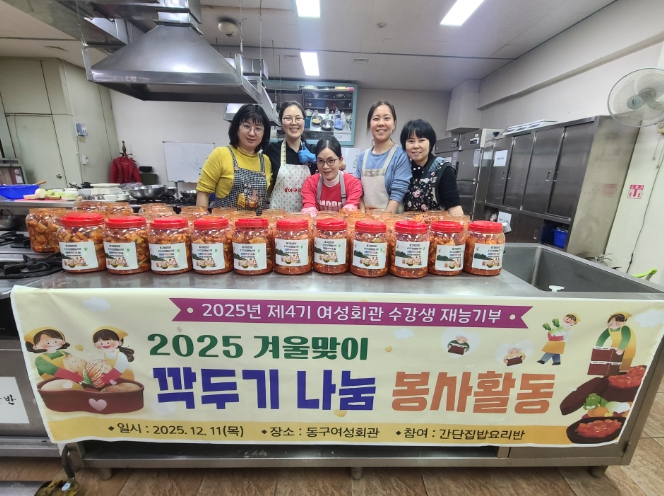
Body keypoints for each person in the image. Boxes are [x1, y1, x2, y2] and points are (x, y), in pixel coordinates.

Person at [196, 104, 272, 213]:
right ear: (237, 127)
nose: (252, 133)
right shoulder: (220, 154)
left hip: (256, 224)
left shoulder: (265, 161)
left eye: (258, 129)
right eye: (247, 126)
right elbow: (203, 193)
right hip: (225, 223)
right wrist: (202, 219)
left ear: (264, 133)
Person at [354, 101, 411, 213]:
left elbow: (397, 193)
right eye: (376, 119)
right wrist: (363, 216)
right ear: (369, 124)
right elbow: (357, 190)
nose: (381, 123)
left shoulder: (401, 155)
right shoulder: (362, 157)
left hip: (391, 219)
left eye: (386, 118)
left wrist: (384, 220)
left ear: (394, 123)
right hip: (365, 219)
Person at [400, 119, 463, 215]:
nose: (416, 146)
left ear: (430, 143)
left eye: (421, 140)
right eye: (411, 141)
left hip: (435, 223)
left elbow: (454, 206)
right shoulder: (403, 167)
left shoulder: (443, 168)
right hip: (408, 223)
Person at [264, 101, 318, 212]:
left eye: (298, 118)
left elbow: (340, 166)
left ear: (304, 121)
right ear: (281, 122)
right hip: (278, 216)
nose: (294, 123)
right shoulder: (271, 150)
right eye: (288, 118)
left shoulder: (314, 150)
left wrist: (316, 159)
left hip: (306, 216)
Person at [301, 137, 363, 215]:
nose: (325, 166)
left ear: (340, 160)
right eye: (320, 161)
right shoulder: (310, 183)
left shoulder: (353, 183)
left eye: (331, 160)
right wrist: (309, 211)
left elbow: (350, 215)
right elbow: (309, 213)